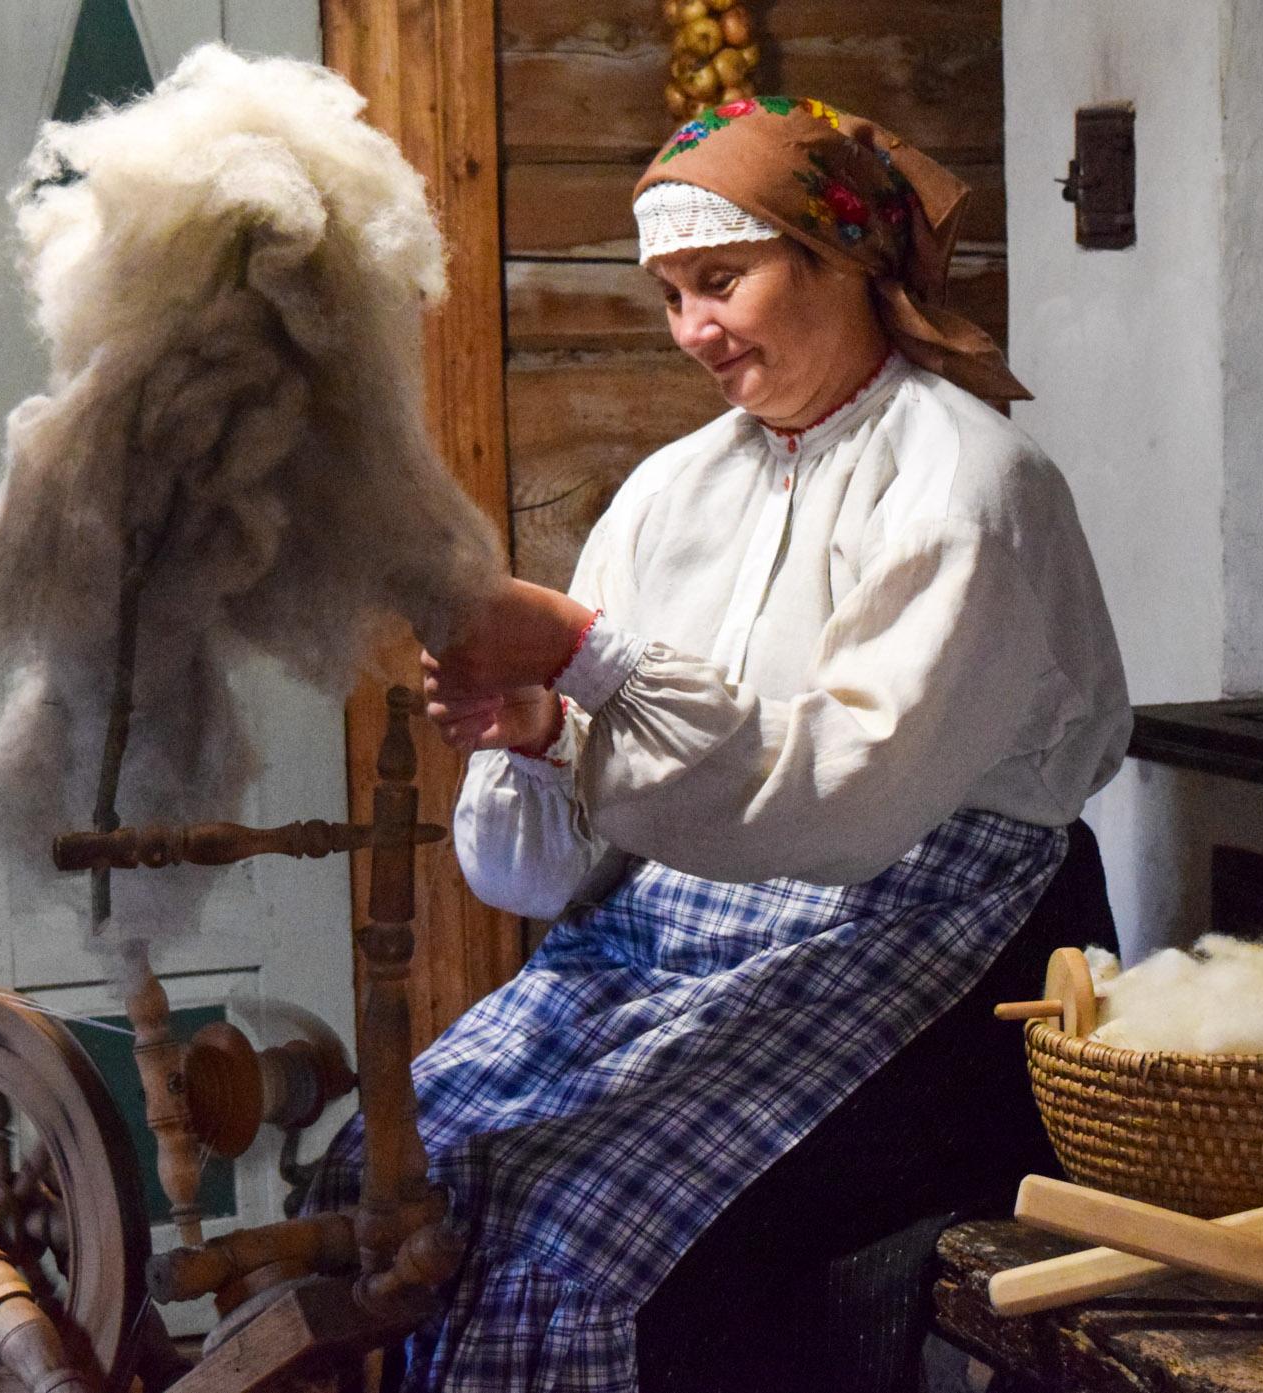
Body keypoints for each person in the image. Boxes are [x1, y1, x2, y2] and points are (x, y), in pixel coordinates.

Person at [301, 96, 1132, 1393]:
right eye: (671, 294)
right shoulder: (671, 492)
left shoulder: (971, 488)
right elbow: (546, 875)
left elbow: (845, 801)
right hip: (677, 937)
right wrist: (540, 737)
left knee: (579, 1238)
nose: (694, 329)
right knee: (394, 1161)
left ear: (843, 257)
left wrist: (580, 649)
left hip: (926, 945)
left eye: (722, 280)